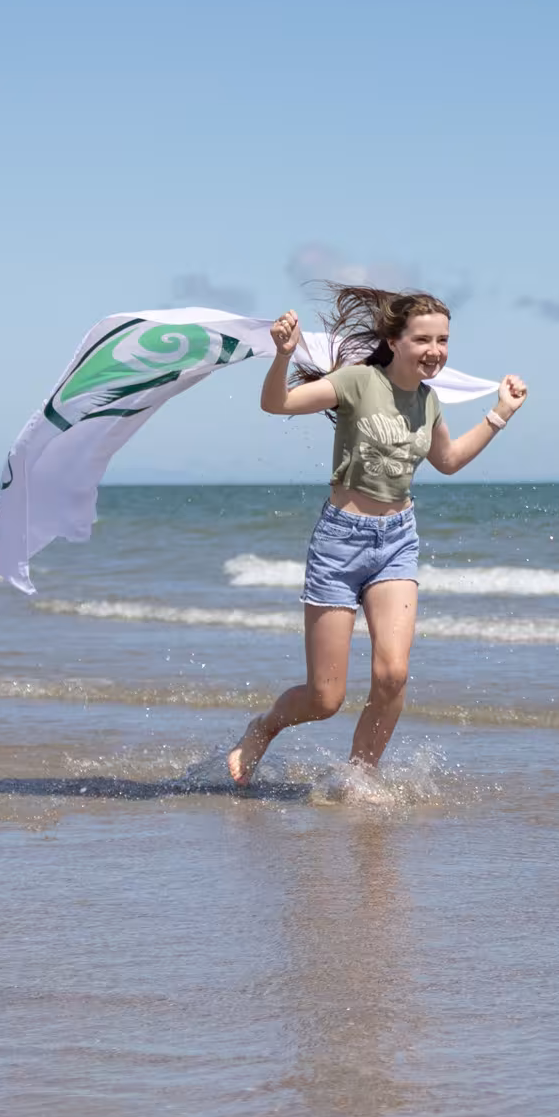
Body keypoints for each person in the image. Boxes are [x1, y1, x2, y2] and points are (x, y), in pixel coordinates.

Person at [222, 285, 528, 786]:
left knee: (392, 675)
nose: (435, 351)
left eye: (443, 341)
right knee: (325, 699)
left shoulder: (428, 402)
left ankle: (359, 780)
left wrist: (500, 414)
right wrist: (281, 356)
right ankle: (262, 729)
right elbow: (277, 404)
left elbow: (447, 462)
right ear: (395, 339)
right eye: (423, 339)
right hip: (340, 543)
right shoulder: (358, 383)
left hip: (397, 542)